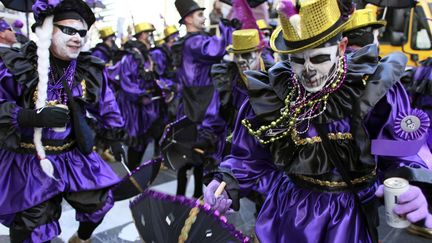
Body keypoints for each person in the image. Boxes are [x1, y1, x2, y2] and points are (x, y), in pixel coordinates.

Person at [203, 0, 432, 242]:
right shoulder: (277, 93)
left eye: (319, 58)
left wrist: (414, 183)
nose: (308, 70)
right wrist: (224, 182)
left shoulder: (370, 90)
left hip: (349, 216)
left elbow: (394, 150)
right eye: (298, 60)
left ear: (341, 47)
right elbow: (250, 157)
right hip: (290, 212)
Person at [0, 0, 126, 242]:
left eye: (82, 32)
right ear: (46, 30)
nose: (78, 38)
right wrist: (26, 116)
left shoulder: (88, 69)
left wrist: (114, 135)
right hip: (30, 162)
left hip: (73, 156)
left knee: (99, 203)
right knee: (33, 228)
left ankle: (80, 238)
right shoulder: (16, 66)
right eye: (69, 30)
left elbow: (107, 103)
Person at [172, 0, 234, 198]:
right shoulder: (195, 41)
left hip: (192, 107)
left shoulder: (189, 41)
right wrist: (224, 20)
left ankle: (188, 198)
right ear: (189, 19)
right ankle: (190, 200)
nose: (204, 17)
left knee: (192, 157)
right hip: (202, 108)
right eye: (200, 14)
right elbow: (217, 49)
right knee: (199, 155)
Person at [211, 28, 273, 215]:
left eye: (247, 55)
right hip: (241, 146)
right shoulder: (229, 79)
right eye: (237, 56)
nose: (242, 62)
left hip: (270, 153)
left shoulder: (276, 77)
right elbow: (215, 113)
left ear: (260, 52)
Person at [108, 22, 163, 171]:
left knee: (145, 140)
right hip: (134, 106)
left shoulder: (146, 55)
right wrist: (140, 95)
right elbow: (127, 81)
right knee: (136, 141)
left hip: (147, 105)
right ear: (143, 35)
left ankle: (136, 174)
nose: (151, 37)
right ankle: (131, 176)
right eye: (149, 34)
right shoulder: (131, 56)